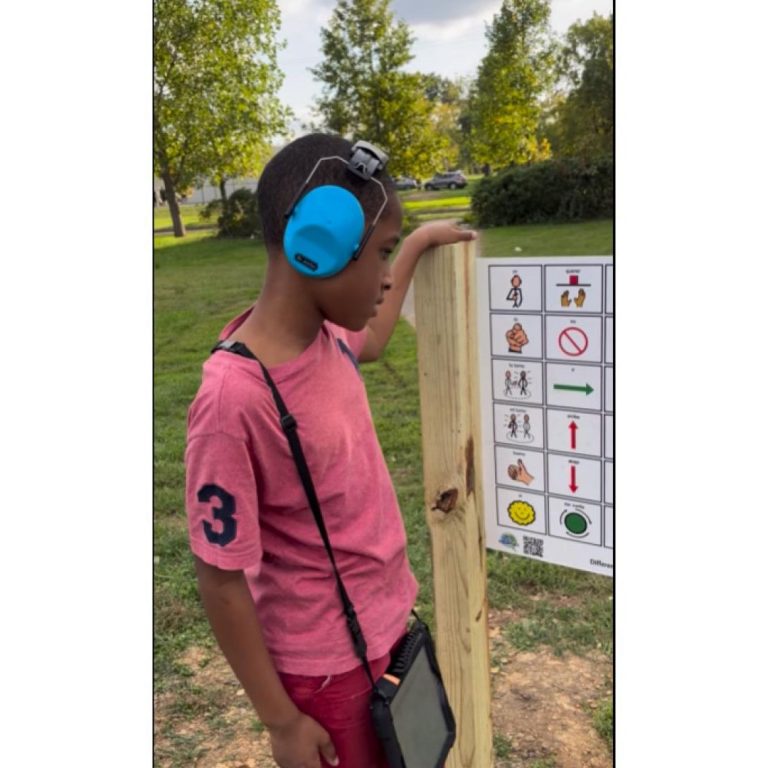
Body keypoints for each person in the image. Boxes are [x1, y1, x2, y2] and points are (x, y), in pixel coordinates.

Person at [184, 133, 476, 768]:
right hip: (326, 675)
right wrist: (282, 722)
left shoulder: (325, 338)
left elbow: (369, 339)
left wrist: (421, 242)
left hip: (387, 634)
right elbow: (219, 575)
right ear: (317, 247)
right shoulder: (234, 399)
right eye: (382, 254)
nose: (388, 274)